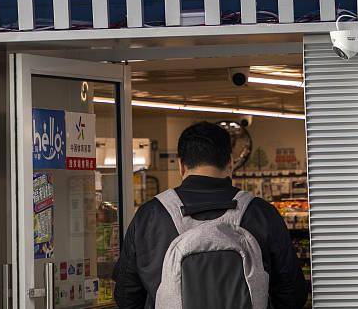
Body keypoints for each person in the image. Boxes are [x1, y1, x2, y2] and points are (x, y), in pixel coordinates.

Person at [113, 121, 309, 308]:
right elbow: (292, 294)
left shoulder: (150, 215)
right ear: (230, 163)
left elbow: (126, 296)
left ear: (181, 165)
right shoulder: (261, 213)